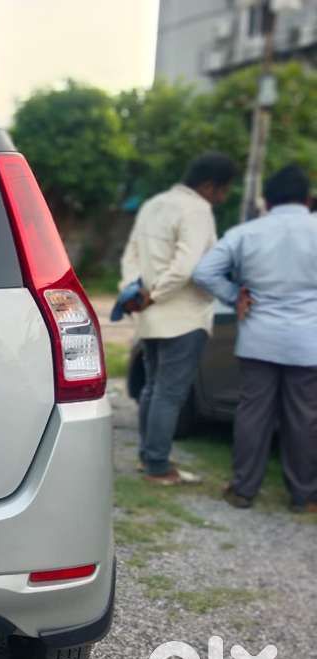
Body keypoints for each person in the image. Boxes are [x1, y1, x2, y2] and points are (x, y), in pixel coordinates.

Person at [193, 165, 317, 513]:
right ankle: (304, 496)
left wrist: (234, 295)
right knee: (305, 417)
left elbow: (203, 272)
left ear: (268, 201)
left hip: (259, 338)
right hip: (308, 342)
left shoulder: (248, 233)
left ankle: (244, 490)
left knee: (253, 415)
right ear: (307, 199)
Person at [119, 152, 238, 486]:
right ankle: (157, 466)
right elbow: (189, 267)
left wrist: (133, 293)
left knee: (154, 389)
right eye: (224, 190)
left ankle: (149, 459)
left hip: (149, 315)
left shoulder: (154, 204)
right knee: (169, 393)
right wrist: (154, 294)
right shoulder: (197, 210)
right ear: (209, 185)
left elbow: (131, 255)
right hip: (183, 317)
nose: (223, 197)